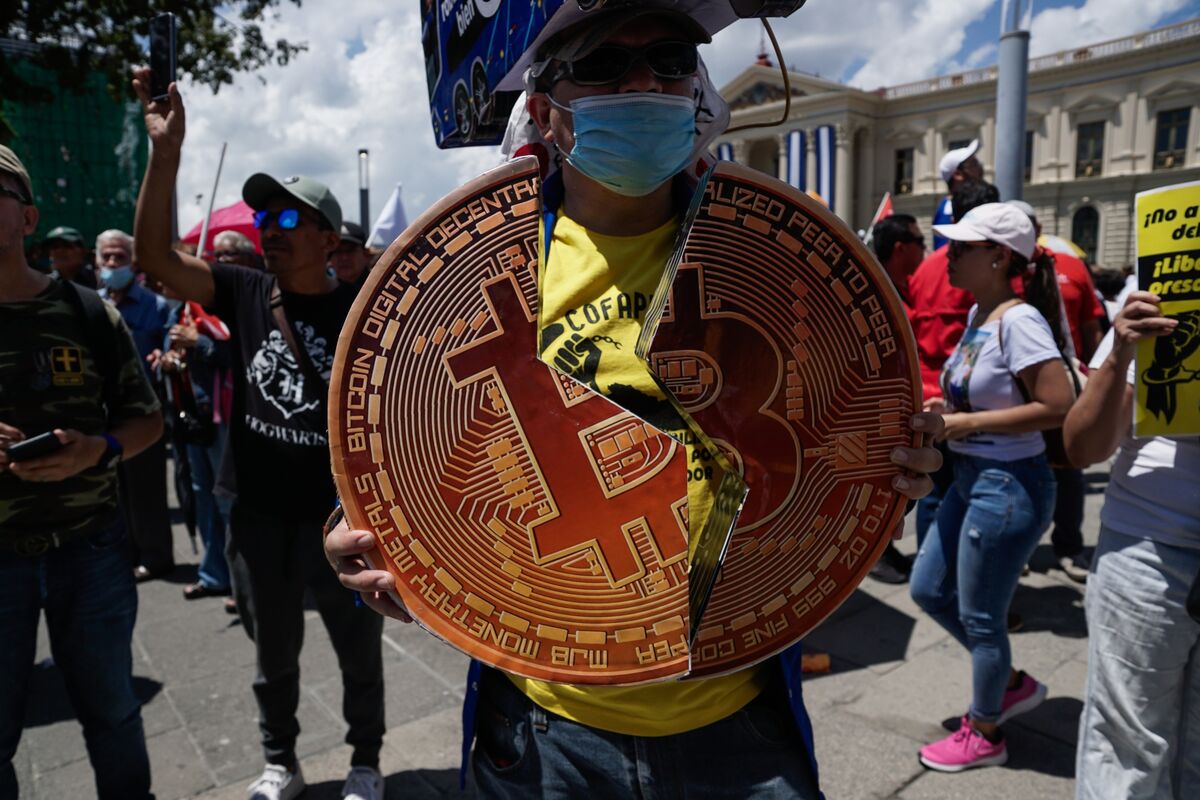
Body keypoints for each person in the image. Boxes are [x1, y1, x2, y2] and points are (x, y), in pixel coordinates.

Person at [325, 7, 946, 798]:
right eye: (602, 64)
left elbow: (837, 429)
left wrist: (898, 459)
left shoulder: (778, 259)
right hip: (547, 732)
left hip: (738, 722)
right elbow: (411, 449)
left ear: (698, 90)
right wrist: (367, 533)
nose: (644, 80)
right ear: (544, 110)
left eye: (670, 57)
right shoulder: (477, 268)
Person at [131, 69, 386, 800]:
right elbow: (155, 261)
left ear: (328, 237)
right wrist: (165, 154)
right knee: (272, 656)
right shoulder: (244, 290)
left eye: (287, 219)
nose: (267, 229)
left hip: (341, 519)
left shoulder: (365, 312)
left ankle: (365, 761)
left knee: (358, 650)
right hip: (257, 517)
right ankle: (282, 761)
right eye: (263, 216)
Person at [0, 144, 164, 799]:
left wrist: (97, 449)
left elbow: (147, 421)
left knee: (113, 715)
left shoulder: (91, 313)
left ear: (28, 216)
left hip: (90, 549)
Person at [910, 203, 1074, 772]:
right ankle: (1007, 683)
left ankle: (986, 732)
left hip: (1008, 487)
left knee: (982, 618)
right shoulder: (982, 314)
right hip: (973, 479)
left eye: (962, 248)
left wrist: (967, 422)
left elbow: (1059, 405)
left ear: (1000, 257)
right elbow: (983, 391)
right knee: (928, 589)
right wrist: (947, 407)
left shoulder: (1019, 320)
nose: (948, 256)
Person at [1064, 292, 1199, 799]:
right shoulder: (1159, 295)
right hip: (1149, 546)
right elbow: (1082, 447)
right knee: (1127, 748)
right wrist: (1122, 353)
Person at [1007, 199, 1104, 583]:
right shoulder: (1002, 269)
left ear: (1037, 228)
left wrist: (1096, 379)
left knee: (1069, 472)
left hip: (1065, 385)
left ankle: (1068, 546)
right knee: (1020, 471)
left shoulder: (1069, 266)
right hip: (1014, 392)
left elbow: (1091, 324)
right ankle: (1019, 548)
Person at [908, 180, 1000, 545]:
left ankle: (929, 560)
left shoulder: (927, 268)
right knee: (960, 493)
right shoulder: (980, 272)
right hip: (962, 402)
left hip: (925, 394)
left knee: (929, 492)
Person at [95, 229, 176, 581]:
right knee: (112, 491)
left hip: (143, 413)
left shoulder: (155, 306)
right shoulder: (90, 305)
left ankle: (155, 557)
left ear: (133, 261)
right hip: (101, 412)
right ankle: (122, 555)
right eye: (107, 257)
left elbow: (170, 351)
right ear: (97, 260)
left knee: (146, 490)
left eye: (120, 256)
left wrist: (163, 356)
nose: (113, 263)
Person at [159, 295, 234, 601]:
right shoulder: (176, 314)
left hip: (219, 416)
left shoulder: (218, 308)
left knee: (226, 498)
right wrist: (165, 361)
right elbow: (171, 358)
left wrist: (198, 341)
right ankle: (214, 574)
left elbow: (235, 353)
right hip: (189, 418)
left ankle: (241, 581)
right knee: (202, 496)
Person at [869, 213, 927, 584]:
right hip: (879, 418)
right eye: (921, 243)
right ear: (902, 248)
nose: (926, 251)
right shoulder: (876, 293)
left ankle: (881, 550)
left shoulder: (903, 289)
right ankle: (874, 555)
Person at [932, 140, 983, 250]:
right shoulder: (947, 211)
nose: (980, 168)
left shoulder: (947, 206)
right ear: (958, 174)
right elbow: (944, 252)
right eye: (974, 164)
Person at [329, 221, 372, 288]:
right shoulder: (321, 290)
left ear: (366, 254)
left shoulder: (381, 287)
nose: (344, 257)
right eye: (338, 251)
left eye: (350, 250)